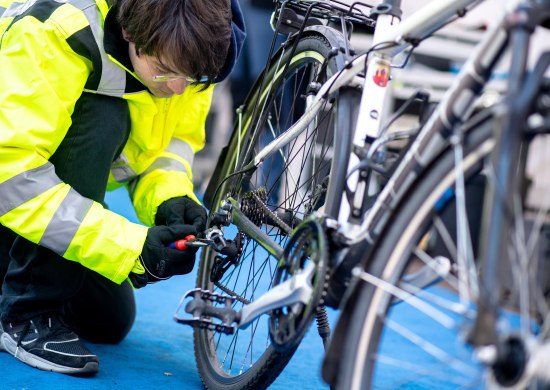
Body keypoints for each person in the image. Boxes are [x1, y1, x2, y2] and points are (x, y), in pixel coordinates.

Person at [0, 0, 245, 376]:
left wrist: (171, 199)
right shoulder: (58, 28)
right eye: (163, 72)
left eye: (192, 78)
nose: (178, 89)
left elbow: (170, 148)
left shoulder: (201, 50)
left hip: (23, 203)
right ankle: (24, 317)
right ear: (129, 31)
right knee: (102, 116)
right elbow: (13, 177)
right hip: (10, 184)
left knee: (108, 320)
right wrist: (128, 247)